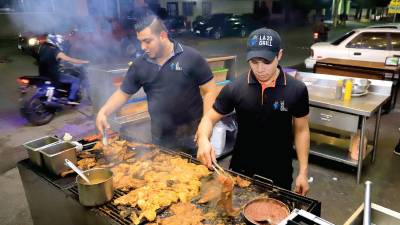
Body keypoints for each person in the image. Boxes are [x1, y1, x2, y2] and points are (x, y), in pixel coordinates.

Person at [196, 28, 310, 195]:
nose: (260, 69)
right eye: (254, 62)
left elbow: (301, 130)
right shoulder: (235, 88)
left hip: (279, 171)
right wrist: (203, 140)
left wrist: (303, 172)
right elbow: (209, 119)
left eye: (266, 62)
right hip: (241, 169)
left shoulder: (296, 89)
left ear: (279, 55)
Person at [96, 14, 217, 156]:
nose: (142, 47)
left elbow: (210, 91)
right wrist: (103, 111)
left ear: (163, 35)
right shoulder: (139, 65)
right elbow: (123, 93)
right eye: (140, 41)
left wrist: (206, 126)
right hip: (161, 138)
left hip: (193, 136)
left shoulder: (191, 57)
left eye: (147, 41)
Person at [38, 34, 89, 102]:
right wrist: (84, 62)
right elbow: (69, 59)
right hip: (53, 76)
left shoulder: (42, 48)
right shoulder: (56, 51)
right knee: (76, 80)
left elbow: (47, 60)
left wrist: (59, 64)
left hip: (43, 74)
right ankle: (71, 99)